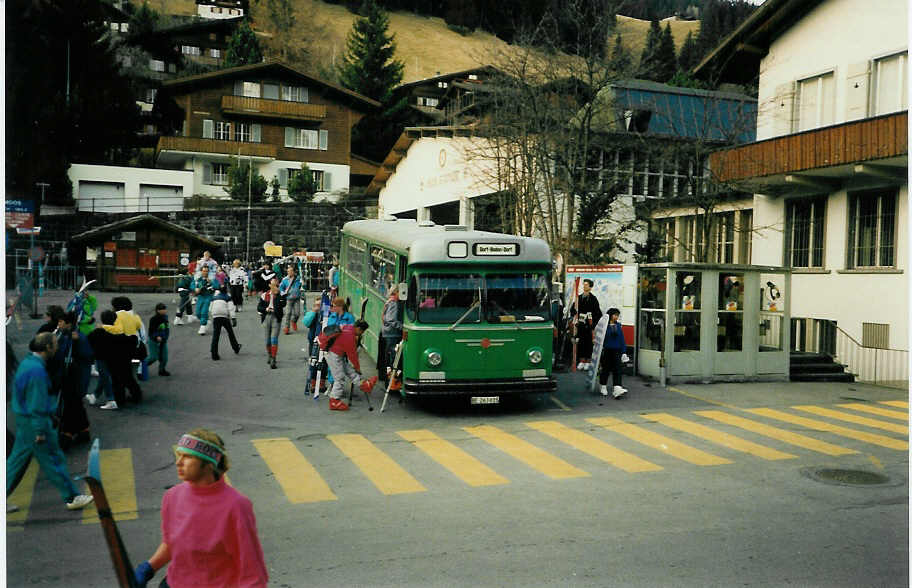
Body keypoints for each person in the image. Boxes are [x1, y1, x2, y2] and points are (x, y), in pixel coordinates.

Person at [133, 429, 268, 588]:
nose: (178, 462)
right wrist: (149, 568)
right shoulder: (172, 496)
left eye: (188, 457)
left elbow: (252, 568)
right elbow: (172, 543)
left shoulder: (236, 506)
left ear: (209, 464)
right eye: (179, 455)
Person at [6, 333, 94, 511]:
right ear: (47, 348)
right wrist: (40, 430)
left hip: (24, 422)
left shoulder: (28, 363)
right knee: (53, 461)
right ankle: (72, 497)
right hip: (36, 424)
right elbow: (36, 404)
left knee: (15, 463)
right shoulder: (37, 371)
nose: (57, 347)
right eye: (55, 344)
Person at [318, 320, 377, 411]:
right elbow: (352, 355)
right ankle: (334, 400)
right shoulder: (350, 337)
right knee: (339, 378)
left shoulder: (348, 327)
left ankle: (363, 384)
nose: (361, 334)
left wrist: (356, 367)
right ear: (359, 329)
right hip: (333, 354)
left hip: (334, 352)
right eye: (362, 332)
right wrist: (357, 368)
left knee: (348, 370)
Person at [54, 312, 93, 448]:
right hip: (67, 377)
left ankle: (68, 433)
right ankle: (83, 430)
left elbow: (87, 357)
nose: (58, 325)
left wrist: (76, 343)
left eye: (61, 322)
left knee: (71, 406)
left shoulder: (78, 338)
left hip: (75, 378)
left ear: (69, 324)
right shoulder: (64, 336)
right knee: (75, 405)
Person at [89, 310, 141, 410]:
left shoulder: (98, 332)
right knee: (126, 378)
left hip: (105, 358)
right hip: (122, 358)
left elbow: (90, 341)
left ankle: (115, 399)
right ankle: (134, 396)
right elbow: (130, 338)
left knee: (113, 380)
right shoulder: (119, 331)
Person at [571, 278, 602, 371]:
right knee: (581, 342)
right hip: (580, 324)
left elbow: (598, 313)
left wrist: (593, 324)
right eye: (583, 284)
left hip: (589, 324)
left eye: (586, 285)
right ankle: (581, 361)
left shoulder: (593, 299)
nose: (584, 286)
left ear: (590, 287)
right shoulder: (579, 298)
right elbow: (573, 309)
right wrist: (574, 311)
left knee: (589, 343)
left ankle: (588, 361)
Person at [598, 308, 628, 398]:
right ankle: (603, 385)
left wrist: (624, 352)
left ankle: (617, 387)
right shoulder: (604, 326)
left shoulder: (618, 326)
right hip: (607, 350)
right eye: (615, 315)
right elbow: (601, 338)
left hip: (617, 350)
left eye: (617, 315)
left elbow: (622, 339)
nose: (616, 317)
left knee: (618, 369)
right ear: (610, 315)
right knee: (606, 369)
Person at [257, 278, 285, 369]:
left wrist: (277, 295)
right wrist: (266, 309)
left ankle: (273, 358)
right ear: (269, 285)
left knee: (274, 339)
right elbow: (259, 308)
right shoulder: (264, 295)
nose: (275, 287)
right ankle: (269, 354)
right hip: (266, 317)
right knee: (267, 341)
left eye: (276, 285)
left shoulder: (281, 295)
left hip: (276, 317)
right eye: (273, 285)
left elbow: (282, 304)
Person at [210, 285, 241, 361]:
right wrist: (233, 318)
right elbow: (231, 308)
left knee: (215, 335)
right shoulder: (228, 297)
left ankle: (214, 354)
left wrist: (213, 314)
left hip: (216, 317)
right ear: (226, 290)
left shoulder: (214, 297)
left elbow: (210, 308)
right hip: (224, 317)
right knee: (230, 332)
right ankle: (236, 347)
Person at [381, 285, 403, 384]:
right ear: (396, 292)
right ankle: (392, 379)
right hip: (392, 333)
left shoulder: (389, 301)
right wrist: (402, 327)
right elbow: (391, 319)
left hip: (387, 332)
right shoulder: (394, 303)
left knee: (390, 354)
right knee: (393, 355)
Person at [147, 302, 171, 377]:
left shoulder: (165, 318)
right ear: (157, 310)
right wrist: (156, 337)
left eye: (164, 309)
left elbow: (167, 329)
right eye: (162, 309)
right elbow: (151, 331)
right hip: (153, 341)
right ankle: (141, 367)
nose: (164, 310)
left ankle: (161, 370)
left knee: (164, 358)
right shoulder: (153, 319)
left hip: (163, 341)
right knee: (153, 357)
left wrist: (165, 338)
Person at [193, 265, 216, 336]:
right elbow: (194, 286)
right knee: (197, 313)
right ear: (201, 271)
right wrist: (195, 289)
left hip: (208, 297)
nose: (205, 273)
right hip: (200, 297)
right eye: (203, 271)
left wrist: (210, 284)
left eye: (206, 271)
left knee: (204, 312)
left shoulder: (211, 280)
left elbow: (214, 288)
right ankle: (206, 321)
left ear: (208, 272)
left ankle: (203, 327)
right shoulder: (198, 279)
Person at [279, 265, 302, 335]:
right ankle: (287, 328)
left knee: (297, 314)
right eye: (288, 271)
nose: (289, 272)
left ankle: (294, 321)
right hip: (289, 299)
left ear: (294, 272)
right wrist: (283, 293)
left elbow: (301, 286)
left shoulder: (298, 278)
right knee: (288, 313)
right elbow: (281, 288)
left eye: (291, 271)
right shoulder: (284, 280)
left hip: (297, 298)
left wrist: (301, 290)